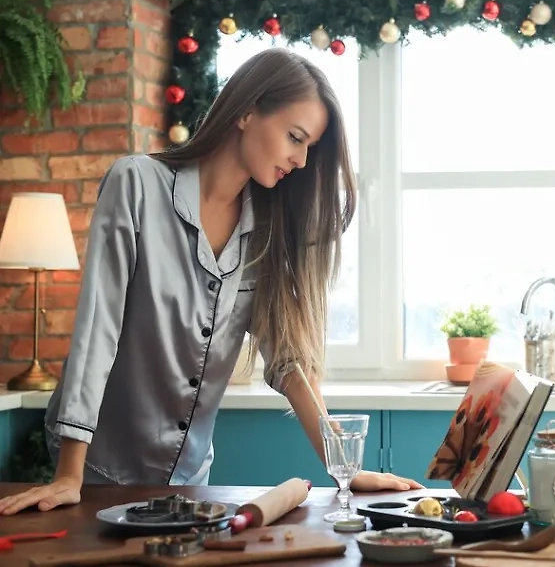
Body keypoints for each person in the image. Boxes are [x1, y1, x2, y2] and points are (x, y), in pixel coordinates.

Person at [0, 48, 423, 516]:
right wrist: (68, 475)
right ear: (246, 111)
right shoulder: (136, 184)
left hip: (191, 482)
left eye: (308, 148)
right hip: (99, 473)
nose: (301, 161)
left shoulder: (267, 229)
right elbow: (96, 331)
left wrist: (341, 465)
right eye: (295, 137)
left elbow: (288, 361)